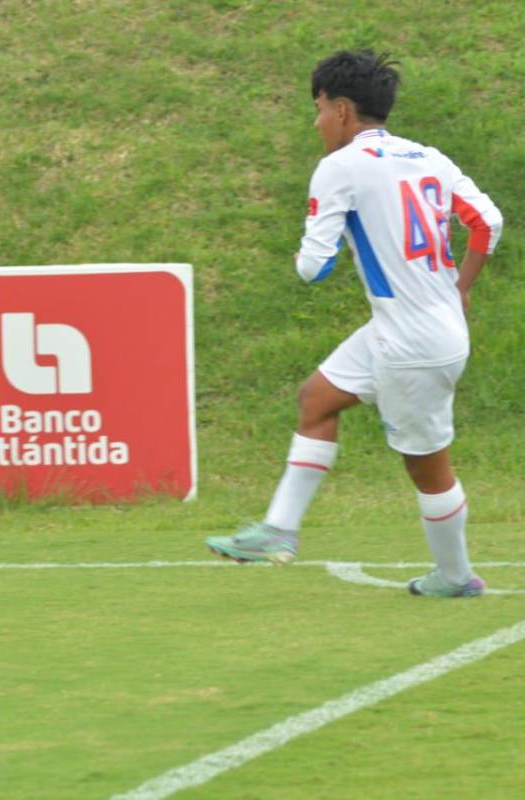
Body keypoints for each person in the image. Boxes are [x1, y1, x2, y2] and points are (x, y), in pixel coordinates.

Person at [205, 50, 503, 597]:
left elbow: (312, 269)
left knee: (427, 468)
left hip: (410, 343)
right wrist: (460, 288)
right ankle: (278, 530)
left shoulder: (339, 167)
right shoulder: (429, 157)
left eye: (317, 109)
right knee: (317, 398)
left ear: (341, 110)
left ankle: (457, 578)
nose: (316, 122)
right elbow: (488, 222)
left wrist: (319, 232)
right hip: (415, 325)